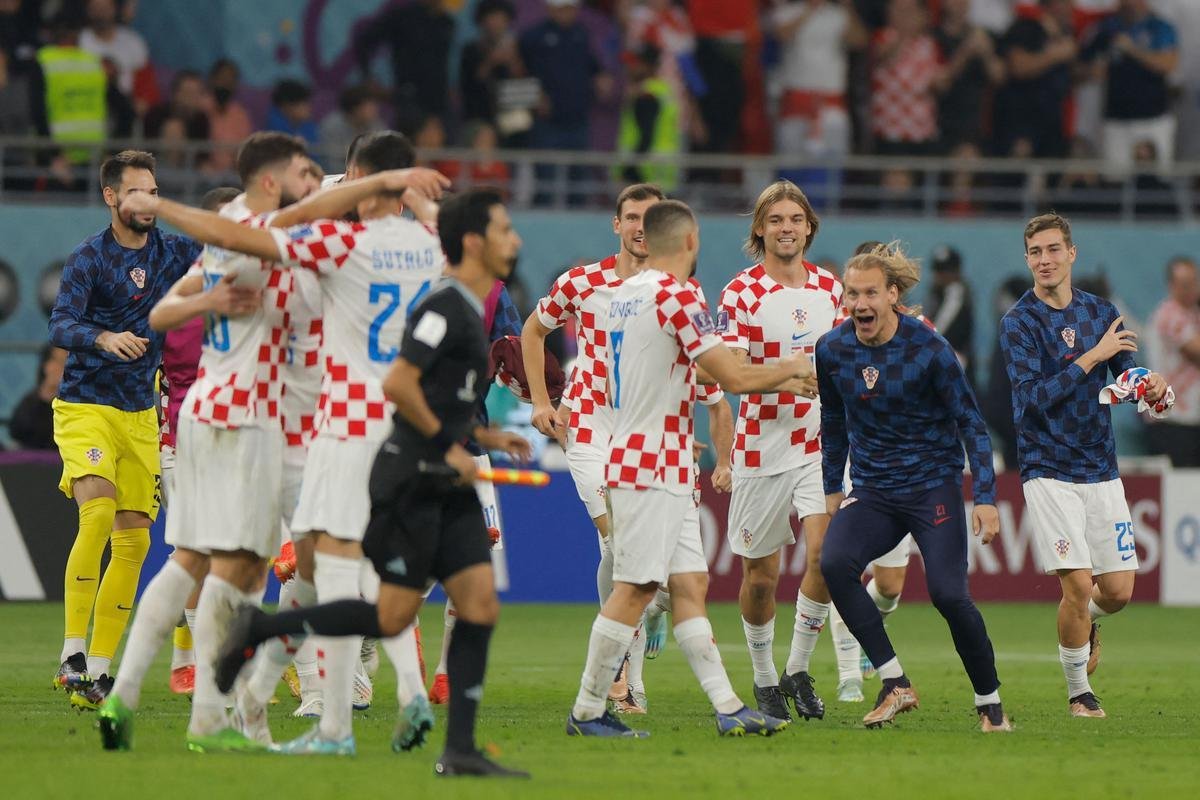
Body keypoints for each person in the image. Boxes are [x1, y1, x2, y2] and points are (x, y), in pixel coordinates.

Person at [115, 131, 451, 755]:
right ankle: (345, 697)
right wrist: (404, 190)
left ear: (358, 177)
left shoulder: (334, 243)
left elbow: (260, 231)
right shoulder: (430, 245)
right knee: (344, 567)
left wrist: (163, 210)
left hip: (323, 425)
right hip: (382, 424)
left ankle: (325, 721)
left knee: (309, 566)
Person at [213, 188, 531, 778]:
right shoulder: (443, 307)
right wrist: (450, 447)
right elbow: (400, 385)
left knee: (478, 606)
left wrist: (486, 440)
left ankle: (460, 749)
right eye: (505, 229)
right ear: (473, 242)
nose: (515, 240)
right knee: (389, 616)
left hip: (448, 478)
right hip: (412, 477)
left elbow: (447, 397)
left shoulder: (473, 303)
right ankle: (264, 627)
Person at [93, 132, 327, 751]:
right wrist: (388, 184)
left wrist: (211, 297)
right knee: (240, 568)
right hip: (247, 418)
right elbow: (309, 217)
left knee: (196, 559)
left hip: (198, 411)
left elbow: (161, 315)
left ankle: (125, 693)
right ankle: (209, 716)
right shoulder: (261, 237)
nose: (312, 183)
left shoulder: (225, 241)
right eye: (302, 173)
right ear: (272, 182)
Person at [565, 199, 814, 739]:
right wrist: (793, 367)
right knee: (634, 590)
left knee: (690, 583)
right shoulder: (679, 295)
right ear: (690, 242)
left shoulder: (619, 297)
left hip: (651, 457)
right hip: (652, 461)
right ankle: (587, 709)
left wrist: (774, 376)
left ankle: (728, 706)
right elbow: (730, 375)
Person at [816, 242, 1011, 732]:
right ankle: (893, 681)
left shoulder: (929, 349)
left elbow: (971, 423)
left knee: (948, 595)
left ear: (894, 295)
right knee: (834, 562)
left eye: (870, 294)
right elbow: (834, 420)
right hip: (874, 491)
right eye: (851, 293)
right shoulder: (832, 349)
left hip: (931, 487)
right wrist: (831, 489)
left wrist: (985, 498)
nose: (859, 304)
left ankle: (991, 706)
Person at [48, 150, 203, 708]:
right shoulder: (89, 256)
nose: (148, 202)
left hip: (142, 413)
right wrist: (102, 338)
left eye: (154, 191)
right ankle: (71, 652)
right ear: (112, 197)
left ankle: (100, 668)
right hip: (85, 404)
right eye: (137, 192)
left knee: (134, 540)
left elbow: (226, 248)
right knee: (96, 516)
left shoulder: (174, 250)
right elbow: (60, 322)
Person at [999, 213, 1169, 719]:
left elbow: (1124, 376)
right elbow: (1031, 401)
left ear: (1071, 253)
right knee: (1076, 584)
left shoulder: (1101, 313)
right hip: (1046, 467)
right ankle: (1079, 692)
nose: (1045, 260)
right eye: (1035, 252)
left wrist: (1149, 383)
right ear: (1027, 258)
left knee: (1115, 592)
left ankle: (1088, 622)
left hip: (1100, 466)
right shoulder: (1019, 322)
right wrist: (1090, 358)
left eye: (1053, 250)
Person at [521, 183, 664, 712]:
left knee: (624, 554)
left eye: (650, 218)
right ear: (616, 224)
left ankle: (631, 673)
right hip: (585, 427)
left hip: (643, 432)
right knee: (617, 542)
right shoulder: (582, 282)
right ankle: (622, 678)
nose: (639, 226)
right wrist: (541, 400)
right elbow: (532, 334)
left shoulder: (672, 290)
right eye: (631, 216)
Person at [717, 180, 845, 723]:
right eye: (775, 220)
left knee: (827, 558)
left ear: (809, 227)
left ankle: (796, 668)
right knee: (761, 577)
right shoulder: (739, 293)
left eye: (795, 219)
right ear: (760, 230)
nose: (786, 228)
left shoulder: (831, 288)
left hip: (819, 443)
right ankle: (765, 678)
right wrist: (786, 377)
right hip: (759, 447)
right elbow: (731, 374)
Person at [1080, 0, 1179, 175]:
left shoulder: (1159, 26)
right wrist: (1092, 70)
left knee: (1154, 179)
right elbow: (1081, 64)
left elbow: (1167, 64)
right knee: (1115, 179)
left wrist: (1132, 49)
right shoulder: (1107, 28)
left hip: (1152, 118)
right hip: (1116, 118)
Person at [1146, 257, 1200, 467]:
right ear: (1172, 286)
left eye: (1194, 283)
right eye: (1185, 285)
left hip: (1190, 418)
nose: (1191, 290)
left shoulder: (1192, 314)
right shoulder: (1169, 314)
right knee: (1182, 490)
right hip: (1172, 419)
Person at [925, 245, 976, 386]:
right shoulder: (936, 292)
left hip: (956, 365)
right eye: (938, 270)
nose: (941, 275)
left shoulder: (956, 292)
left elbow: (938, 331)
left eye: (946, 271)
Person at [9, 345, 66, 449]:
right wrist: (47, 392)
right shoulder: (30, 401)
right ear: (45, 365)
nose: (60, 367)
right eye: (56, 360)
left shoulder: (76, 404)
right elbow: (17, 431)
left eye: (64, 362)